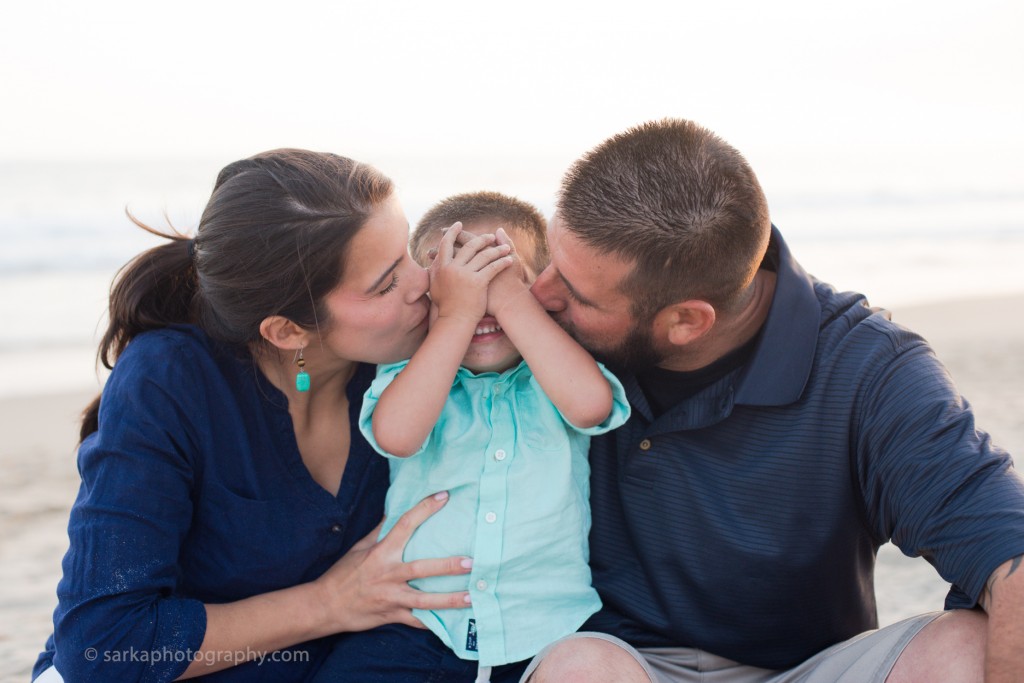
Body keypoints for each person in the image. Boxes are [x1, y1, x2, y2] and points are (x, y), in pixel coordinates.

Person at [520, 119, 1024, 682]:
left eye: (577, 292)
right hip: (620, 663)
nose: (539, 294)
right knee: (578, 668)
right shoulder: (532, 326)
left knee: (967, 649)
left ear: (686, 321)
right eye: (551, 260)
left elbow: (1011, 556)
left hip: (807, 670)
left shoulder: (870, 369)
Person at [32, 150, 482, 682]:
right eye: (385, 283)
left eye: (409, 251)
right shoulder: (168, 380)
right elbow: (102, 649)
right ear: (287, 331)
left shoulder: (419, 358)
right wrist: (328, 603)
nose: (424, 283)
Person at [313, 192, 629, 683]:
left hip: (548, 629)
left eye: (501, 280)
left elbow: (592, 407)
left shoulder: (554, 374)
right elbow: (396, 436)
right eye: (455, 289)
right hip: (416, 624)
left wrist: (510, 300)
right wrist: (456, 317)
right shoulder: (412, 375)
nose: (480, 303)